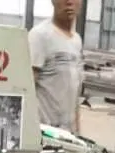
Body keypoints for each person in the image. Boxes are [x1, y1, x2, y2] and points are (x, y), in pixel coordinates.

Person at [29, 0, 83, 134]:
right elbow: (26, 89)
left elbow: (74, 95)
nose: (69, 2)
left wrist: (78, 133)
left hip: (68, 134)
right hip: (46, 133)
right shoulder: (40, 36)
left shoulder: (76, 41)